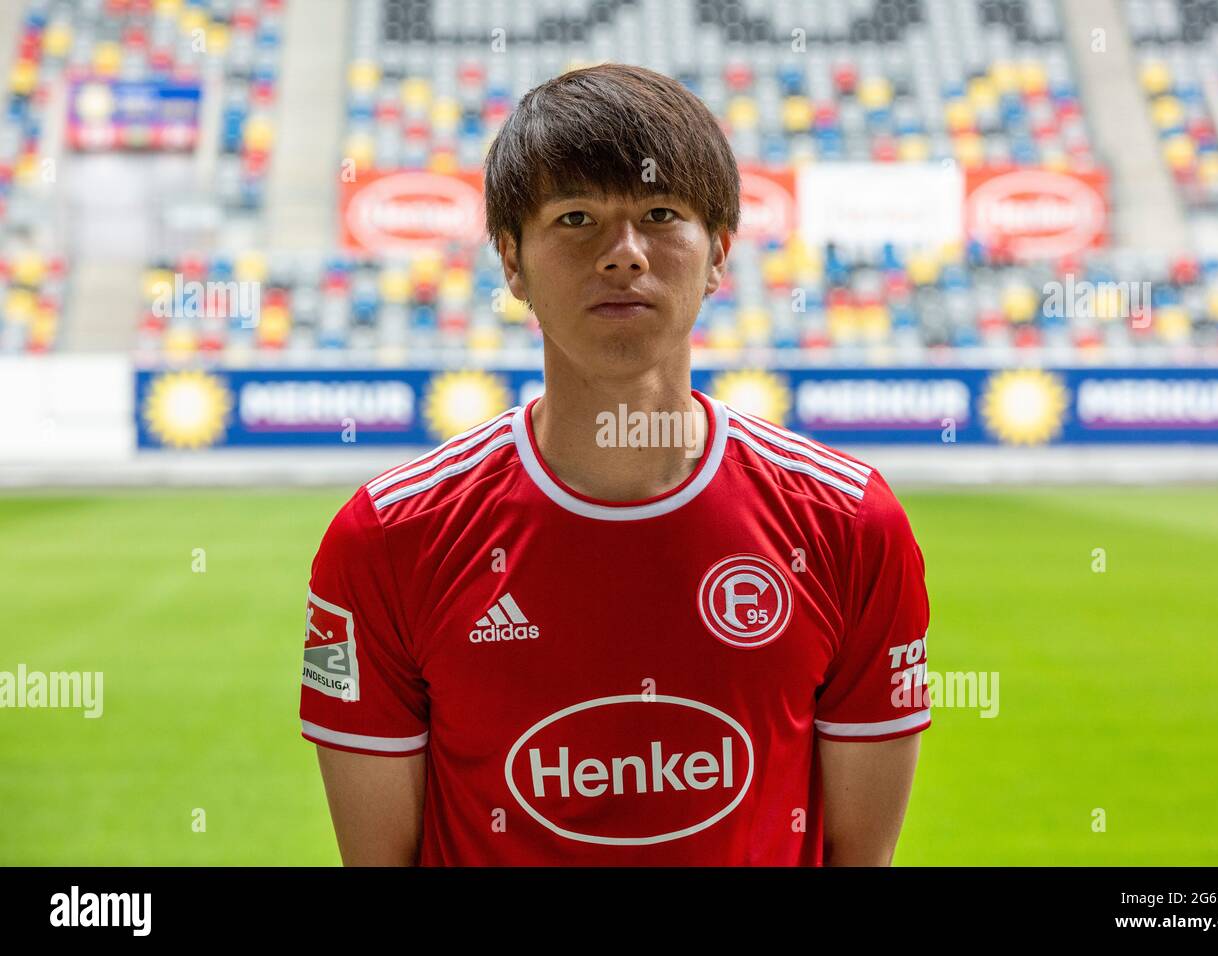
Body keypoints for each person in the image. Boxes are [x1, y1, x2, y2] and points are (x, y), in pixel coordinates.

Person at [299, 62, 931, 865]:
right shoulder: (388, 539)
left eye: (661, 214)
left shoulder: (848, 524)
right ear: (511, 262)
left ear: (720, 253)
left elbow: (857, 856)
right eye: (575, 219)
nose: (624, 254)